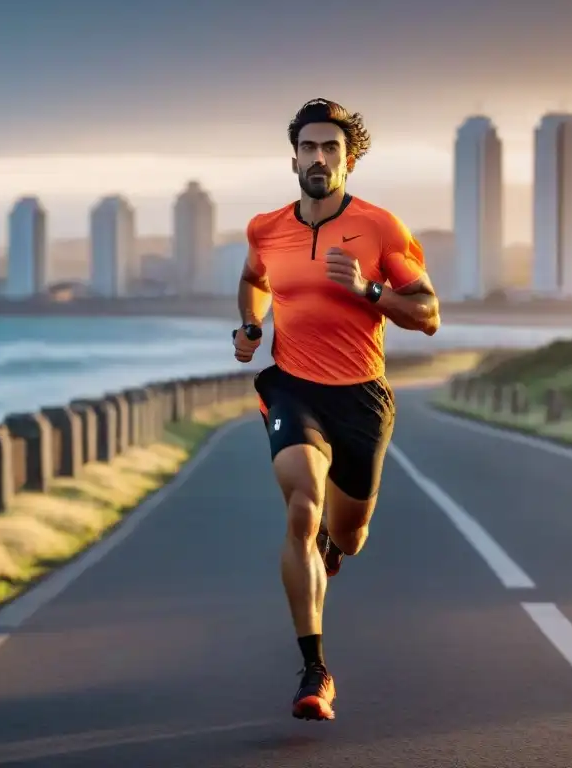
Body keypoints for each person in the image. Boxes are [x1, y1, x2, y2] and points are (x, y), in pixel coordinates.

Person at [232, 97, 441, 722]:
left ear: (348, 161)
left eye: (331, 149)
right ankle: (315, 669)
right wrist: (248, 325)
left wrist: (369, 290)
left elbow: (427, 313)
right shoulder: (266, 228)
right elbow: (255, 280)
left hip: (362, 399)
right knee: (302, 505)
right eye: (309, 148)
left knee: (348, 533)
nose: (319, 158)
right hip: (294, 388)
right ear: (293, 157)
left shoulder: (380, 227)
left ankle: (333, 544)